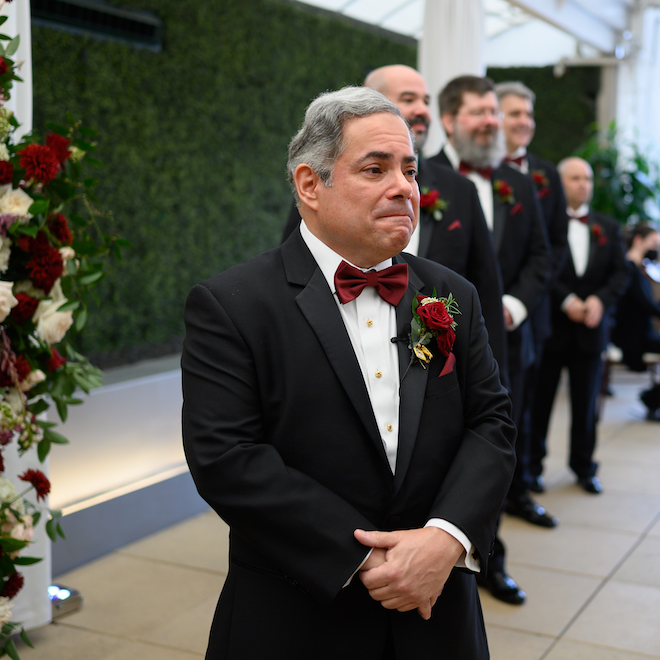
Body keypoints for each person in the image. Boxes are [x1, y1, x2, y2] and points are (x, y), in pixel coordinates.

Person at [182, 86, 516, 659]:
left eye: (409, 171)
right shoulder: (233, 303)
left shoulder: (450, 293)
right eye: (375, 168)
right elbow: (227, 457)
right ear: (310, 185)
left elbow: (491, 422)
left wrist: (445, 539)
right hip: (297, 617)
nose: (404, 188)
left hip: (437, 617)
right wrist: (363, 556)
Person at [282, 65, 507, 376]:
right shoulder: (326, 188)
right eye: (408, 99)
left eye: (426, 101)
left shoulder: (459, 191)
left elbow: (486, 283)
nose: (421, 110)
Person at [429, 74, 551, 605]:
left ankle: (489, 559)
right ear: (450, 119)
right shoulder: (418, 175)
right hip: (433, 349)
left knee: (495, 452)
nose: (491, 121)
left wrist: (512, 307)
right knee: (433, 454)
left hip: (504, 347)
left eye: (494, 112)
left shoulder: (519, 183)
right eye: (480, 111)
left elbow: (543, 257)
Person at [530, 157, 629, 494]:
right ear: (559, 182)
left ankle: (584, 466)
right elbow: (540, 267)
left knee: (587, 404)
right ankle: (533, 467)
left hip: (591, 329)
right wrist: (566, 299)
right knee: (540, 403)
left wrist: (600, 300)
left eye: (587, 178)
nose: (583, 184)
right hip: (554, 328)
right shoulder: (544, 223)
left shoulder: (608, 226)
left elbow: (620, 272)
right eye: (575, 178)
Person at [495, 81, 569, 507]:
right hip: (469, 308)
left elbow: (553, 243)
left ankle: (519, 487)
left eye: (528, 114)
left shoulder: (545, 175)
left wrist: (527, 295)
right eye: (514, 113)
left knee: (524, 404)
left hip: (529, 312)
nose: (524, 122)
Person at [611, 223, 660, 419]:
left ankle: (652, 398)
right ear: (639, 241)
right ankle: (652, 398)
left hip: (641, 333)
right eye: (654, 243)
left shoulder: (639, 270)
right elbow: (646, 305)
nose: (656, 249)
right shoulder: (628, 269)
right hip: (631, 338)